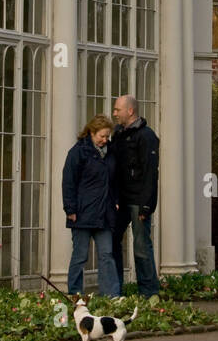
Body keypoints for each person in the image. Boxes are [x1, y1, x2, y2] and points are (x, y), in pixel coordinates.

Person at [62, 114, 120, 298]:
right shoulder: (78, 152)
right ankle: (75, 294)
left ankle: (111, 295)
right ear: (92, 133)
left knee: (106, 255)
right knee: (80, 256)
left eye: (107, 136)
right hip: (82, 213)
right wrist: (70, 209)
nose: (105, 140)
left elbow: (115, 180)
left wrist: (116, 201)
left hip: (104, 213)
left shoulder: (111, 153)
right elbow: (68, 182)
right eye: (102, 136)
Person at [111, 94, 161, 297]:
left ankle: (149, 292)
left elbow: (150, 172)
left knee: (141, 247)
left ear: (130, 111)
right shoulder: (118, 134)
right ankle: (115, 290)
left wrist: (146, 205)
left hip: (138, 200)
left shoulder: (147, 136)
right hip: (120, 200)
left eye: (117, 110)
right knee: (111, 241)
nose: (114, 113)